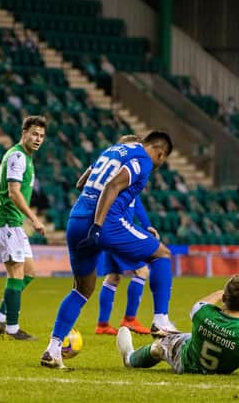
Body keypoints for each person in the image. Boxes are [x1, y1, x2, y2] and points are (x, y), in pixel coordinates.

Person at [41, 131, 174, 369]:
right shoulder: (142, 160)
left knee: (82, 289)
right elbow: (112, 186)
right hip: (104, 223)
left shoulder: (111, 151)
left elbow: (81, 183)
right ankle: (161, 321)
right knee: (162, 254)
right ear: (160, 153)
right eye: (161, 160)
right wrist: (99, 226)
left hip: (76, 219)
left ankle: (53, 349)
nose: (158, 165)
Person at [75, 136, 155, 336]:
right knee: (142, 271)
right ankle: (130, 320)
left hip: (103, 226)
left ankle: (102, 325)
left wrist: (147, 225)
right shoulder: (127, 173)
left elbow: (80, 184)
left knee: (114, 276)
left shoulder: (105, 163)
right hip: (117, 227)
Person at [0, 116, 47, 341]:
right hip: (6, 221)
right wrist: (34, 219)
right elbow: (13, 192)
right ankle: (12, 328)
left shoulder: (27, 158)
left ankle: (1, 316)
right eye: (34, 134)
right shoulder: (18, 156)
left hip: (14, 223)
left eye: (41, 136)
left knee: (29, 273)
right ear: (24, 133)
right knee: (15, 273)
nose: (38, 139)